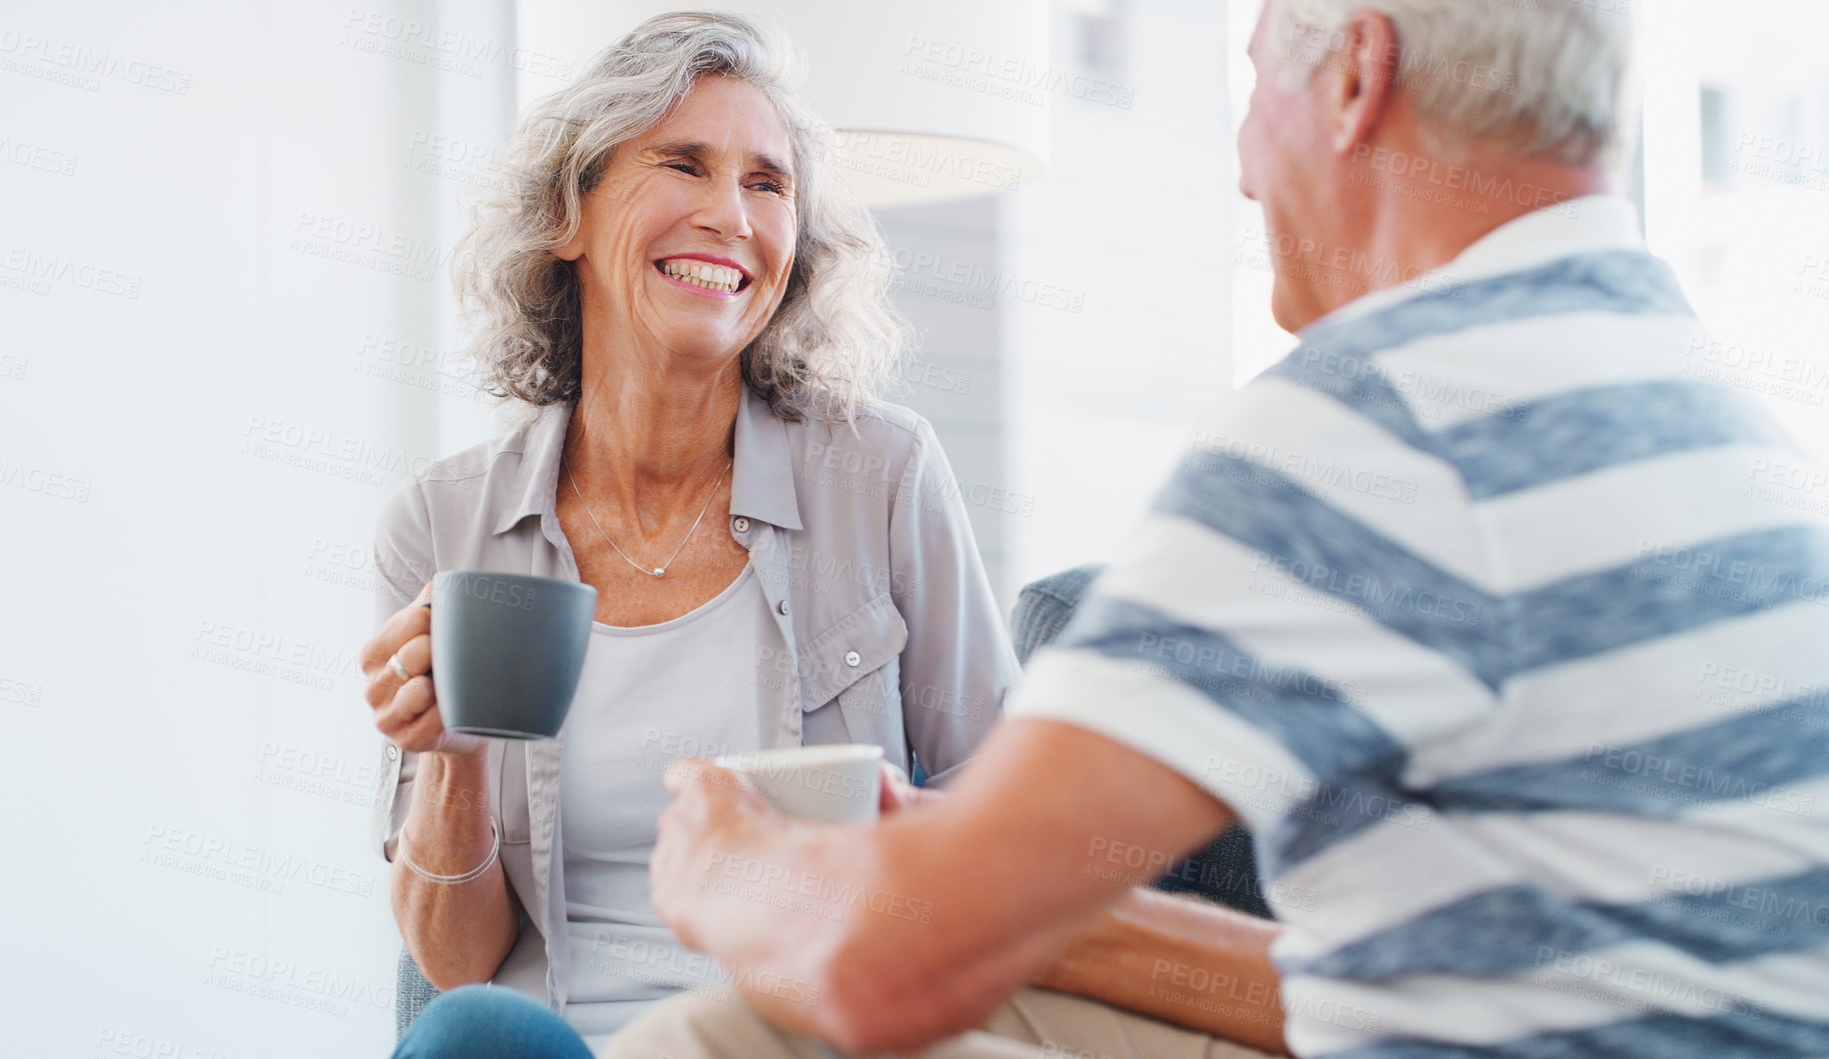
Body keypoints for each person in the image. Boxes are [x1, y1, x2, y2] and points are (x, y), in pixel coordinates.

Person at [612, 0, 1829, 1056]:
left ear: (1357, 76)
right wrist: (988, 870)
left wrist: (731, 866)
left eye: (1252, 87)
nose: (1244, 168)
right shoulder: (1721, 421)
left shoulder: (1380, 420)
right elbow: (1425, 980)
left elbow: (880, 973)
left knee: (719, 1036)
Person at [354, 11, 1018, 1055]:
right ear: (569, 215)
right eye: (684, 164)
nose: (730, 215)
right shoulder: (443, 525)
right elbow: (452, 962)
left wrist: (883, 866)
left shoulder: (881, 475)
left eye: (768, 184)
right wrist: (455, 759)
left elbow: (1008, 833)